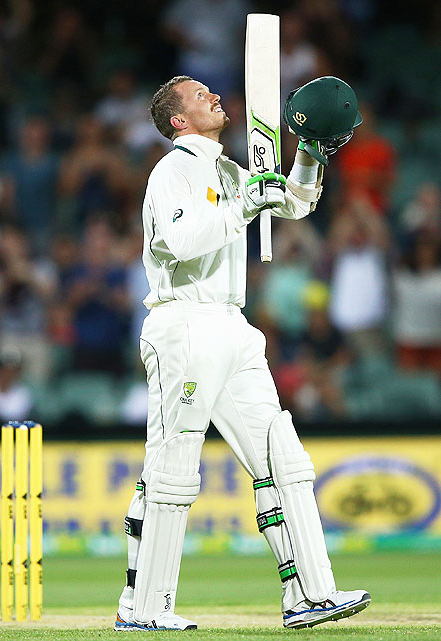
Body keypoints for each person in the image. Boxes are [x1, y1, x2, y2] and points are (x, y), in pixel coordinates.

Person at [114, 75, 370, 631]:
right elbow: (179, 243)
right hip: (182, 322)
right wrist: (247, 204)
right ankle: (146, 609)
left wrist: (307, 156)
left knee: (284, 458)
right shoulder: (172, 171)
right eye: (199, 94)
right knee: (174, 472)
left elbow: (297, 205)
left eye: (212, 90)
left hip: (234, 325)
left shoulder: (231, 171)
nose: (214, 96)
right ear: (177, 120)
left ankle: (310, 594)